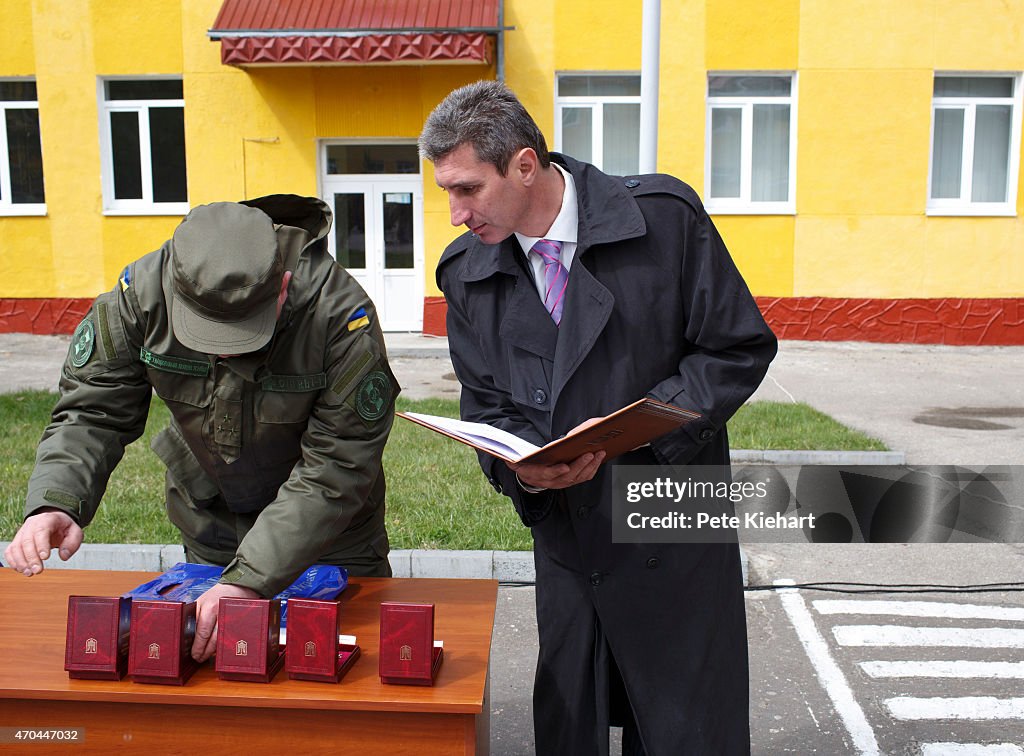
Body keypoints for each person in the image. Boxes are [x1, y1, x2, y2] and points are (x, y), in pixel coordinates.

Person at [419, 81, 777, 755]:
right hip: (570, 532)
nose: (455, 213)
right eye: (447, 191)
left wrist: (648, 428)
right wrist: (524, 474)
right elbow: (486, 406)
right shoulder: (467, 272)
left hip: (672, 511)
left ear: (525, 166)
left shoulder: (663, 220)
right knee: (572, 721)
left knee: (683, 726)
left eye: (467, 189)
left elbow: (736, 346)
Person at [3, 194, 399, 663]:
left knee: (342, 682)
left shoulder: (338, 314)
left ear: (283, 287)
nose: (225, 354)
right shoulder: (139, 296)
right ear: (176, 290)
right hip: (212, 522)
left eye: (244, 332)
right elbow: (93, 411)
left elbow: (337, 463)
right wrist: (58, 499)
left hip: (333, 538)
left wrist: (249, 580)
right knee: (215, 680)